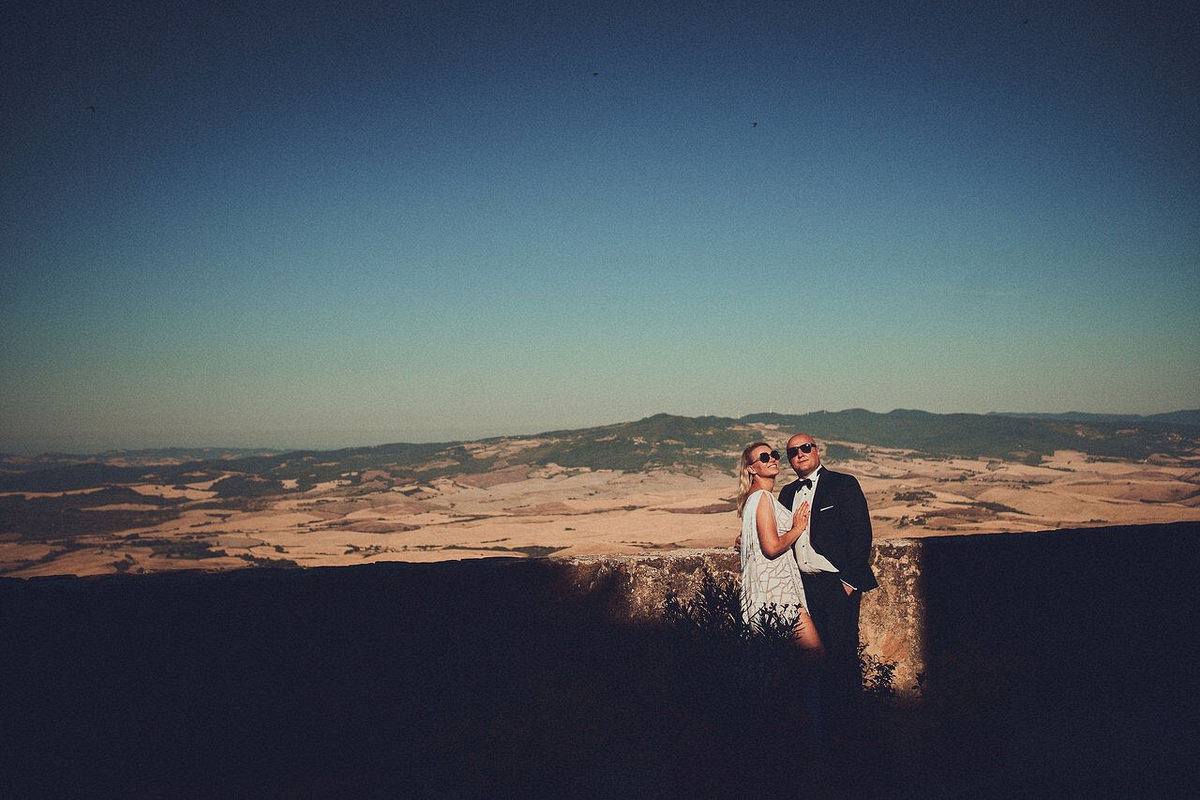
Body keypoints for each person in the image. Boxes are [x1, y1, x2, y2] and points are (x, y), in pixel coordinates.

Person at [777, 433, 878, 728]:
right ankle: (818, 725)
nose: (800, 454)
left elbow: (861, 535)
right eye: (793, 451)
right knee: (808, 661)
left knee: (841, 657)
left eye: (805, 448)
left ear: (816, 451)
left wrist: (847, 583)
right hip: (803, 588)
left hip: (837, 585)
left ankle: (849, 728)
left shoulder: (843, 485)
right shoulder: (785, 493)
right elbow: (779, 535)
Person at [736, 442, 823, 653]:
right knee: (815, 655)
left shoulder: (756, 497)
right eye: (764, 458)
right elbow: (772, 547)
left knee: (786, 661)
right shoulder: (763, 497)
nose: (772, 459)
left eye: (774, 454)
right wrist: (797, 528)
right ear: (751, 469)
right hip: (777, 591)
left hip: (772, 586)